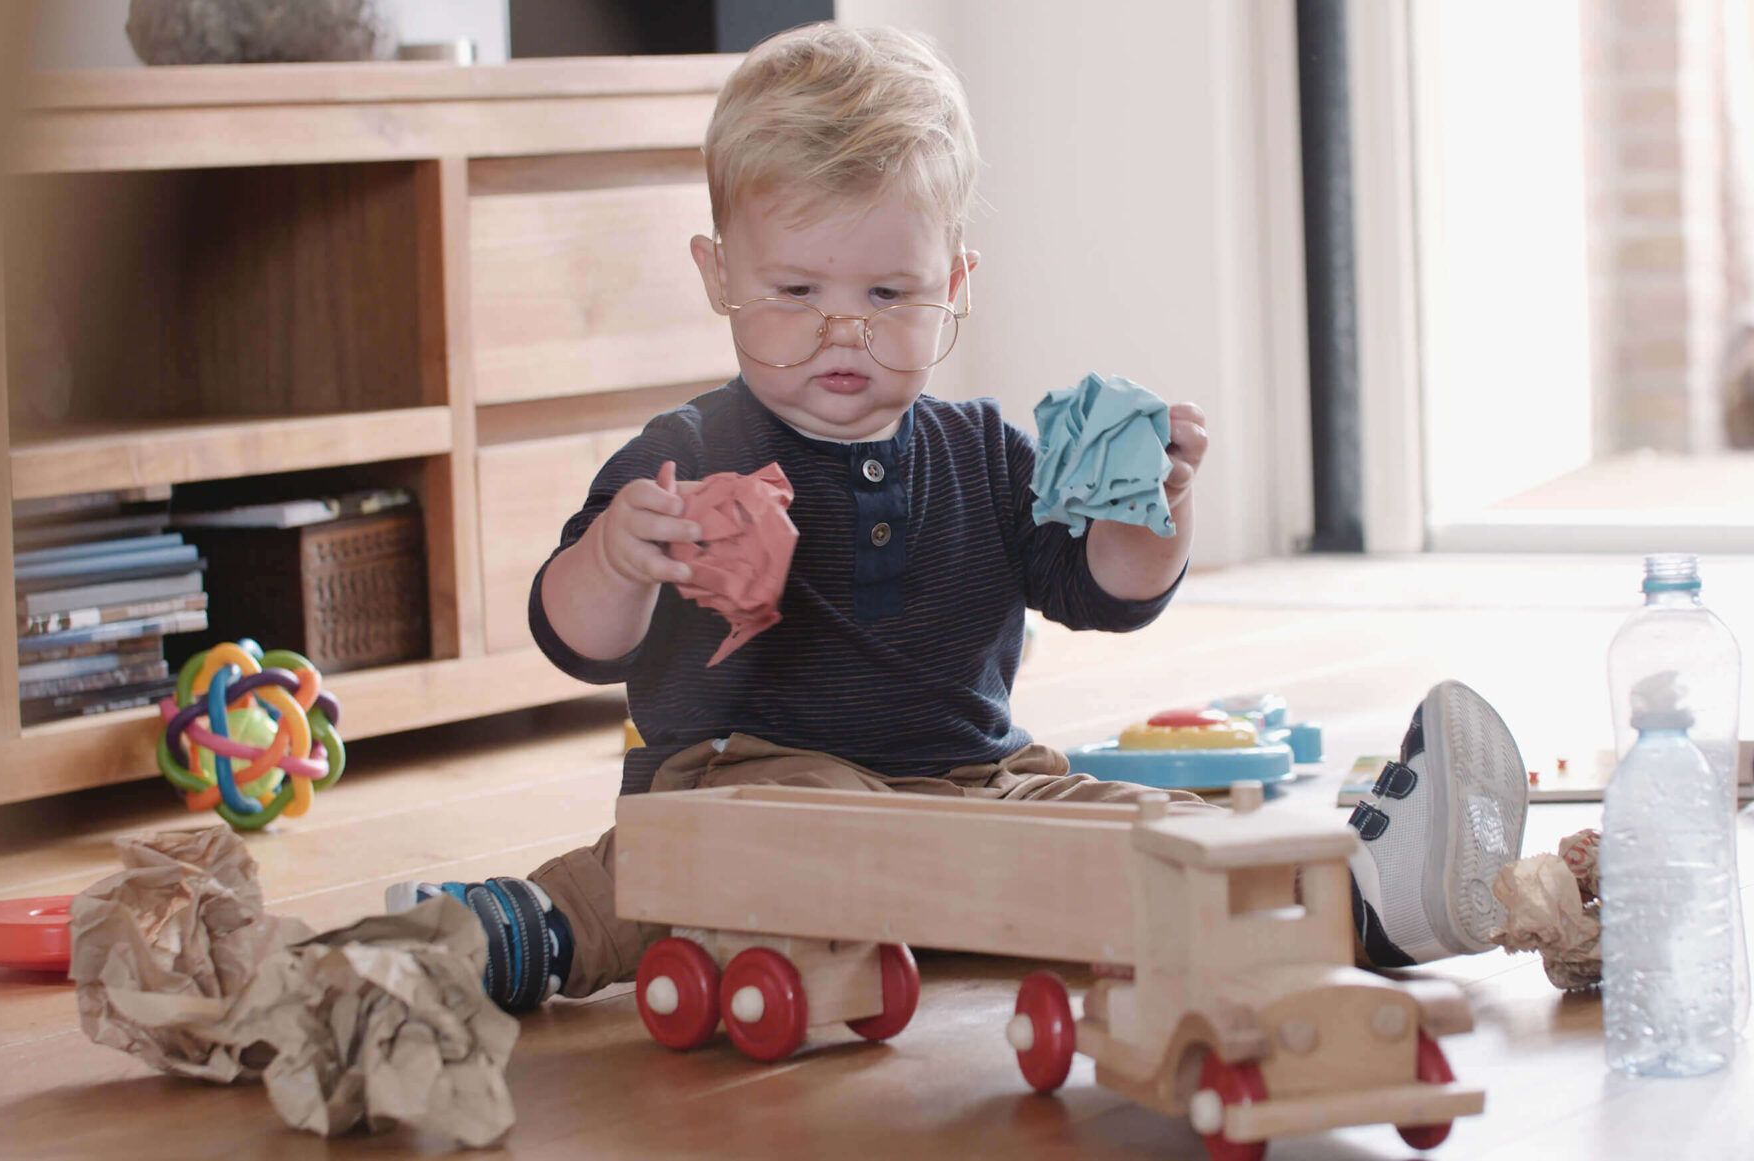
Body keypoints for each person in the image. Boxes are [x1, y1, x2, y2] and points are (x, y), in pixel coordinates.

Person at [388, 23, 1529, 1012]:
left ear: (956, 283)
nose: (845, 331)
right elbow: (574, 638)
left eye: (887, 295)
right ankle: (524, 929)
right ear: (717, 272)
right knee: (718, 858)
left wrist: (1154, 505)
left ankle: (1356, 899)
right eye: (796, 293)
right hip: (758, 777)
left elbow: (1108, 592)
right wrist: (618, 554)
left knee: (1135, 826)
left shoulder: (984, 453)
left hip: (979, 780)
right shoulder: (689, 456)